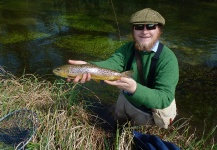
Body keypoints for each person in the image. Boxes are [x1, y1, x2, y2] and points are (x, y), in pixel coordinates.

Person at [67, 8, 179, 128]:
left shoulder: (168, 58)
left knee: (136, 137)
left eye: (151, 26)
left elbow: (164, 98)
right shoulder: (127, 48)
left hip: (147, 110)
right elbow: (112, 63)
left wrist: (135, 89)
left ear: (159, 30)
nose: (145, 31)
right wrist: (87, 67)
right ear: (133, 30)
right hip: (126, 97)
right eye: (139, 26)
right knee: (117, 125)